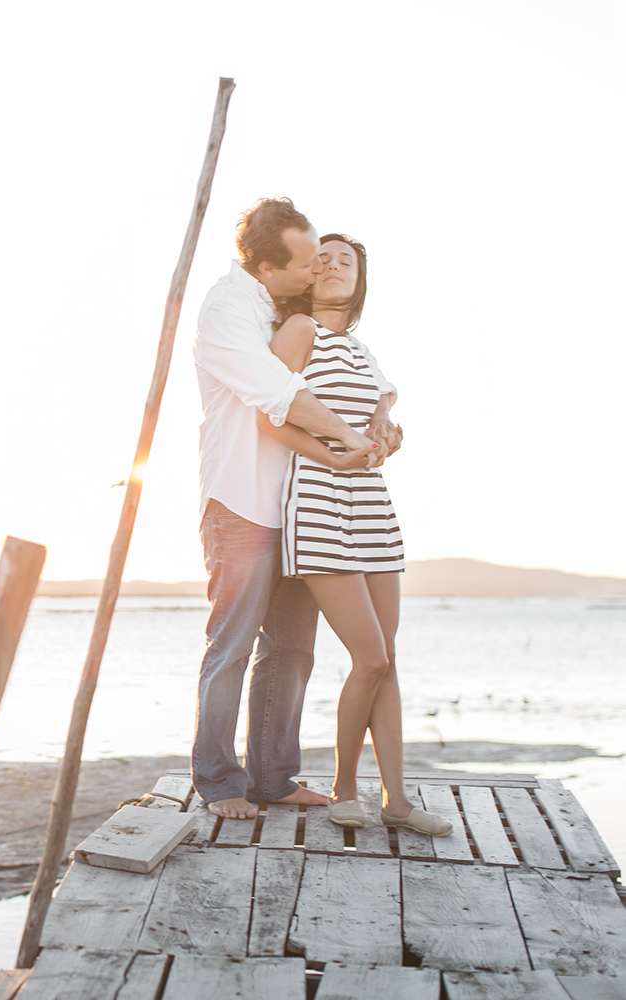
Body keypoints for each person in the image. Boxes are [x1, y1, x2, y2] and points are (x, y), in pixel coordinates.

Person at [191, 197, 399, 821]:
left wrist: (382, 427)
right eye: (308, 261)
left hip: (299, 510)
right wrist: (348, 441)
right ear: (267, 268)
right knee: (230, 644)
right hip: (244, 500)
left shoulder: (285, 311)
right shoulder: (229, 309)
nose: (317, 270)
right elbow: (277, 396)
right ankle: (220, 780)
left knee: (291, 650)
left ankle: (274, 778)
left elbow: (363, 388)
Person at [256, 233, 452, 835]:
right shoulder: (298, 333)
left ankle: (396, 800)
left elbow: (383, 409)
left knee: (386, 660)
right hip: (318, 505)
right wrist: (331, 455)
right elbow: (269, 417)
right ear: (308, 274)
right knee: (367, 657)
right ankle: (345, 787)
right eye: (327, 258)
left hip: (372, 507)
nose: (337, 266)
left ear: (359, 280)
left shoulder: (361, 348)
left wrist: (389, 428)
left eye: (350, 261)